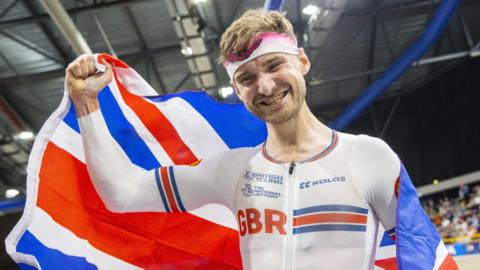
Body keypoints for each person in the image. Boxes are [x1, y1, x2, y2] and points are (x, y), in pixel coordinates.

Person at [66, 9, 418, 270]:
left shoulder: (369, 157)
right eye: (247, 78)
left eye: (274, 65)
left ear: (303, 62)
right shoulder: (234, 170)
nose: (264, 86)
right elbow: (122, 193)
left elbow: (423, 253)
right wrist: (86, 104)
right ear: (237, 89)